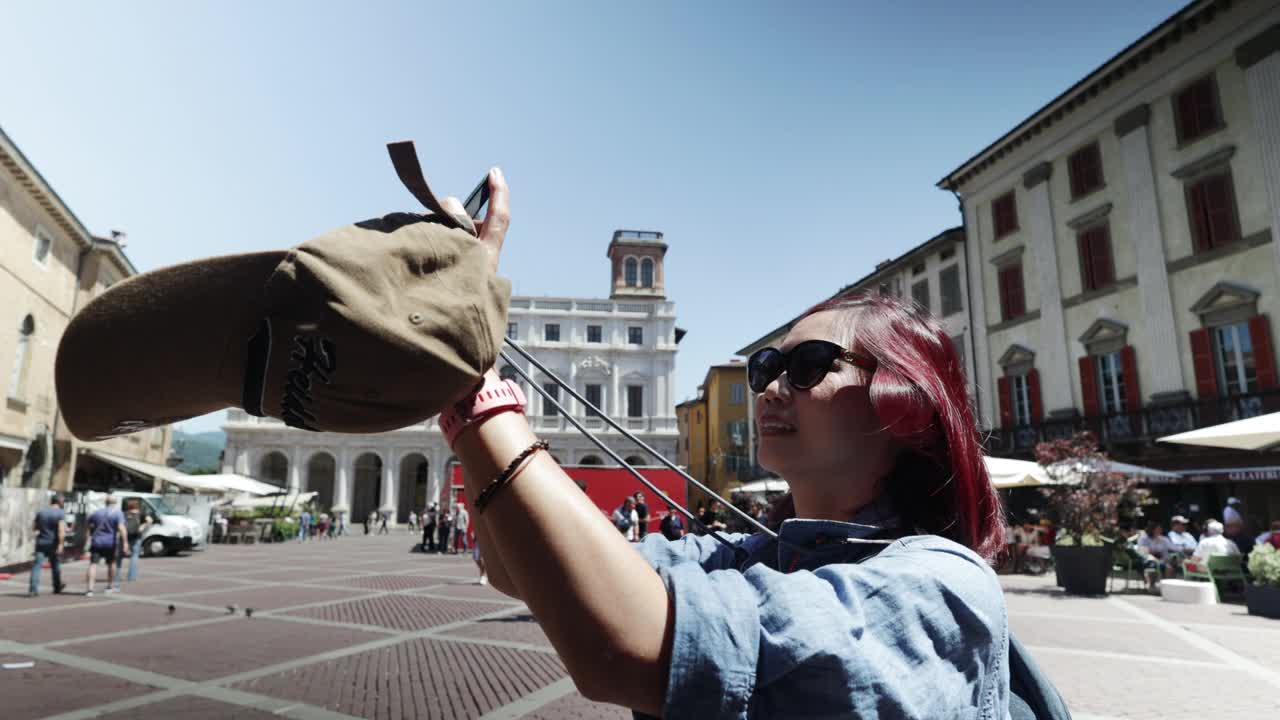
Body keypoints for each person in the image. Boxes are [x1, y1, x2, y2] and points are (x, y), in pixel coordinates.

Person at [443, 180, 1012, 717]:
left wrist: (483, 394)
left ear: (903, 403)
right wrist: (464, 378)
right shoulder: (753, 556)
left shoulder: (943, 587)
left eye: (810, 365)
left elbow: (631, 649)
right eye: (765, 368)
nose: (769, 389)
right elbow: (521, 569)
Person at [84, 495, 129, 597]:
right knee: (111, 563)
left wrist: (86, 539)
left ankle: (90, 589)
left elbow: (87, 525)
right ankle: (109, 586)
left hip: (96, 542)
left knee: (93, 564)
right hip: (110, 543)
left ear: (106, 502)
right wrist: (125, 542)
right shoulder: (118, 514)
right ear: (115, 503)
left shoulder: (96, 513)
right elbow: (121, 528)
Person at [29, 494, 67, 597]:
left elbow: (34, 527)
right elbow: (61, 531)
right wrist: (60, 544)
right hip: (53, 543)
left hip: (41, 542)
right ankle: (57, 586)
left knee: (37, 565)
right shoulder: (60, 513)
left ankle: (33, 589)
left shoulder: (41, 512)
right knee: (55, 566)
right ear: (60, 502)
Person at [115, 500, 153, 587]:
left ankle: (116, 575)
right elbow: (150, 520)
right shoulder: (141, 513)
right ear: (137, 506)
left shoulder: (123, 514)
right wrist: (142, 527)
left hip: (124, 537)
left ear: (128, 506)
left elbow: (119, 526)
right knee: (134, 556)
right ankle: (131, 576)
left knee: (119, 557)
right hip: (136, 537)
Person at [1136, 521, 1173, 587]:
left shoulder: (1162, 539)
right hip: (1147, 559)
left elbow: (1167, 551)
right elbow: (1143, 551)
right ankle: (1151, 585)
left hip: (1161, 559)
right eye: (1158, 529)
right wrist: (1154, 553)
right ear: (1152, 529)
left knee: (1169, 567)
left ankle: (1165, 586)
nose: (1160, 530)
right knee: (1153, 565)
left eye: (1160, 529)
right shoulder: (1144, 538)